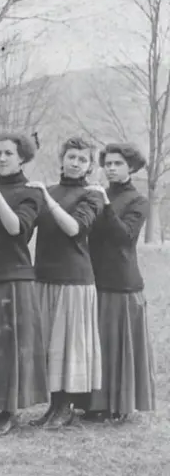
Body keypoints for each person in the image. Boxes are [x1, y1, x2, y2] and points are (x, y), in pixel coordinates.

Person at [28, 136, 105, 430]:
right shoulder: (47, 190)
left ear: (89, 166)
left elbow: (74, 228)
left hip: (74, 279)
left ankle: (66, 407)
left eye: (82, 159)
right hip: (44, 276)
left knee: (68, 345)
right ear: (62, 158)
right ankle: (54, 406)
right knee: (49, 344)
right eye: (71, 157)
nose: (75, 163)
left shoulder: (92, 195)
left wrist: (45, 200)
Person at [0, 133, 48, 436]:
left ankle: (8, 412)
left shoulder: (31, 192)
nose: (2, 159)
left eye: (8, 153)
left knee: (8, 347)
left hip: (14, 277)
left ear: (22, 158)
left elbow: (17, 228)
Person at [83, 142, 155, 422]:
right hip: (94, 276)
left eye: (118, 164)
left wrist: (106, 204)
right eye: (108, 164)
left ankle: (118, 404)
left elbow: (124, 236)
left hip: (123, 282)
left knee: (116, 345)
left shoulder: (138, 200)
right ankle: (95, 403)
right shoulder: (96, 195)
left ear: (132, 168)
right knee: (98, 344)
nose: (111, 168)